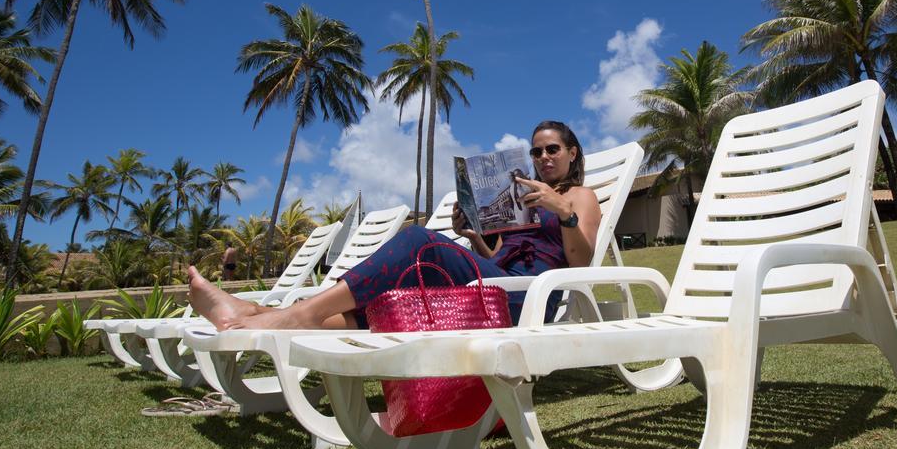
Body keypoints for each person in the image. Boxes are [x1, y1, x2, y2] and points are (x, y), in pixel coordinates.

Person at [185, 121, 602, 331]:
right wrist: (474, 236)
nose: (544, 157)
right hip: (495, 287)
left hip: (528, 302)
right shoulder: (524, 197)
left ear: (571, 152)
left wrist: (561, 210)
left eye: (552, 149)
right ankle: (256, 314)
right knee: (393, 304)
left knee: (419, 239)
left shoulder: (579, 197)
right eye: (537, 151)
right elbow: (498, 261)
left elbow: (579, 266)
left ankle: (289, 317)